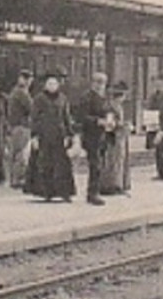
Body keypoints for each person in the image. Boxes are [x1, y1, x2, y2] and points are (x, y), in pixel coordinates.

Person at [24, 74, 77, 202]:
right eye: (49, 84)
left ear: (58, 85)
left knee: (62, 166)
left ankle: (65, 193)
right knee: (44, 165)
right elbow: (34, 119)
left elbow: (66, 117)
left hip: (60, 136)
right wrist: (34, 136)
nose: (52, 86)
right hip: (44, 137)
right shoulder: (39, 99)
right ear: (45, 85)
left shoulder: (63, 99)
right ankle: (46, 192)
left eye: (54, 84)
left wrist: (70, 135)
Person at [77, 70, 114, 206]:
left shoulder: (104, 98)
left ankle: (96, 190)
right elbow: (82, 117)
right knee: (95, 164)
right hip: (90, 135)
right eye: (97, 82)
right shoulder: (87, 97)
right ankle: (92, 193)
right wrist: (98, 121)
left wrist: (111, 120)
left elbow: (109, 111)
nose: (100, 85)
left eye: (103, 82)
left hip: (103, 135)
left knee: (99, 164)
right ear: (92, 83)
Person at [97, 80, 132, 196]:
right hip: (113, 138)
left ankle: (117, 184)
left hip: (119, 137)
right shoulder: (111, 107)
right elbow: (110, 123)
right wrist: (123, 125)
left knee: (118, 160)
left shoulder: (115, 105)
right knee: (114, 161)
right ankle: (112, 185)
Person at [4, 69, 36, 187]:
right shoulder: (22, 93)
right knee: (21, 154)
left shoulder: (14, 91)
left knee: (14, 153)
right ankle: (18, 179)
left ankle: (13, 179)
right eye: (28, 79)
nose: (29, 82)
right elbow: (32, 108)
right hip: (22, 126)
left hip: (14, 126)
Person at [146, 74, 163, 181]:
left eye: (162, 83)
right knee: (158, 149)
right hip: (155, 123)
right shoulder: (153, 96)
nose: (159, 85)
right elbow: (150, 109)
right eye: (157, 83)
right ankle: (160, 173)